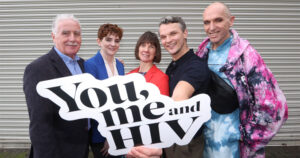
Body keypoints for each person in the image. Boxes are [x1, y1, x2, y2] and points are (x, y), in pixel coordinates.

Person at [196, 2, 288, 158]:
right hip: (205, 142)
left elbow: (274, 106)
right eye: (206, 22)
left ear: (231, 21)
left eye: (218, 20)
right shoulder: (201, 53)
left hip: (234, 147)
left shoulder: (247, 56)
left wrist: (249, 136)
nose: (211, 27)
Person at [23, 14, 89, 158]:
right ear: (53, 36)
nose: (72, 38)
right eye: (65, 33)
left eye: (77, 34)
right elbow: (40, 124)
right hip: (56, 151)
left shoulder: (85, 66)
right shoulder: (38, 69)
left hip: (81, 149)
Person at [159, 16, 210, 158]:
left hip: (187, 143)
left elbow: (178, 98)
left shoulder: (196, 66)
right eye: (163, 37)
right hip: (172, 138)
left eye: (173, 33)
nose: (168, 40)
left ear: (185, 33)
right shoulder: (172, 66)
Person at [84, 23, 124, 158]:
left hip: (120, 131)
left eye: (117, 41)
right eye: (108, 39)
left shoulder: (120, 65)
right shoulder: (90, 65)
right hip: (101, 134)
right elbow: (95, 104)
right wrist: (109, 135)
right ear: (99, 41)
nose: (113, 44)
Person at [127, 31, 169, 96]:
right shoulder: (129, 76)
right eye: (143, 45)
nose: (146, 50)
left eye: (151, 47)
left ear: (155, 52)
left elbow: (164, 105)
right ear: (138, 48)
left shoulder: (161, 78)